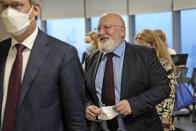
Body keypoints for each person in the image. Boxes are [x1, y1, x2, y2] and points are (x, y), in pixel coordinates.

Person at [0, 0, 87, 131]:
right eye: (4, 6)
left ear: (35, 9)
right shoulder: (1, 51)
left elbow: (76, 120)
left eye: (16, 5)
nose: (8, 12)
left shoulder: (63, 54)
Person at [85, 13, 171, 131]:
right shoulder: (91, 59)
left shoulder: (145, 55)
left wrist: (133, 104)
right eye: (98, 29)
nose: (100, 33)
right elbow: (85, 92)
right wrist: (88, 106)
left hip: (140, 126)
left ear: (122, 31)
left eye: (106, 27)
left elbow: (163, 87)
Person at [135, 29, 176, 131]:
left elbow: (170, 93)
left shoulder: (163, 63)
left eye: (142, 47)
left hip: (160, 113)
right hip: (144, 112)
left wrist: (166, 117)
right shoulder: (141, 63)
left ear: (153, 44)